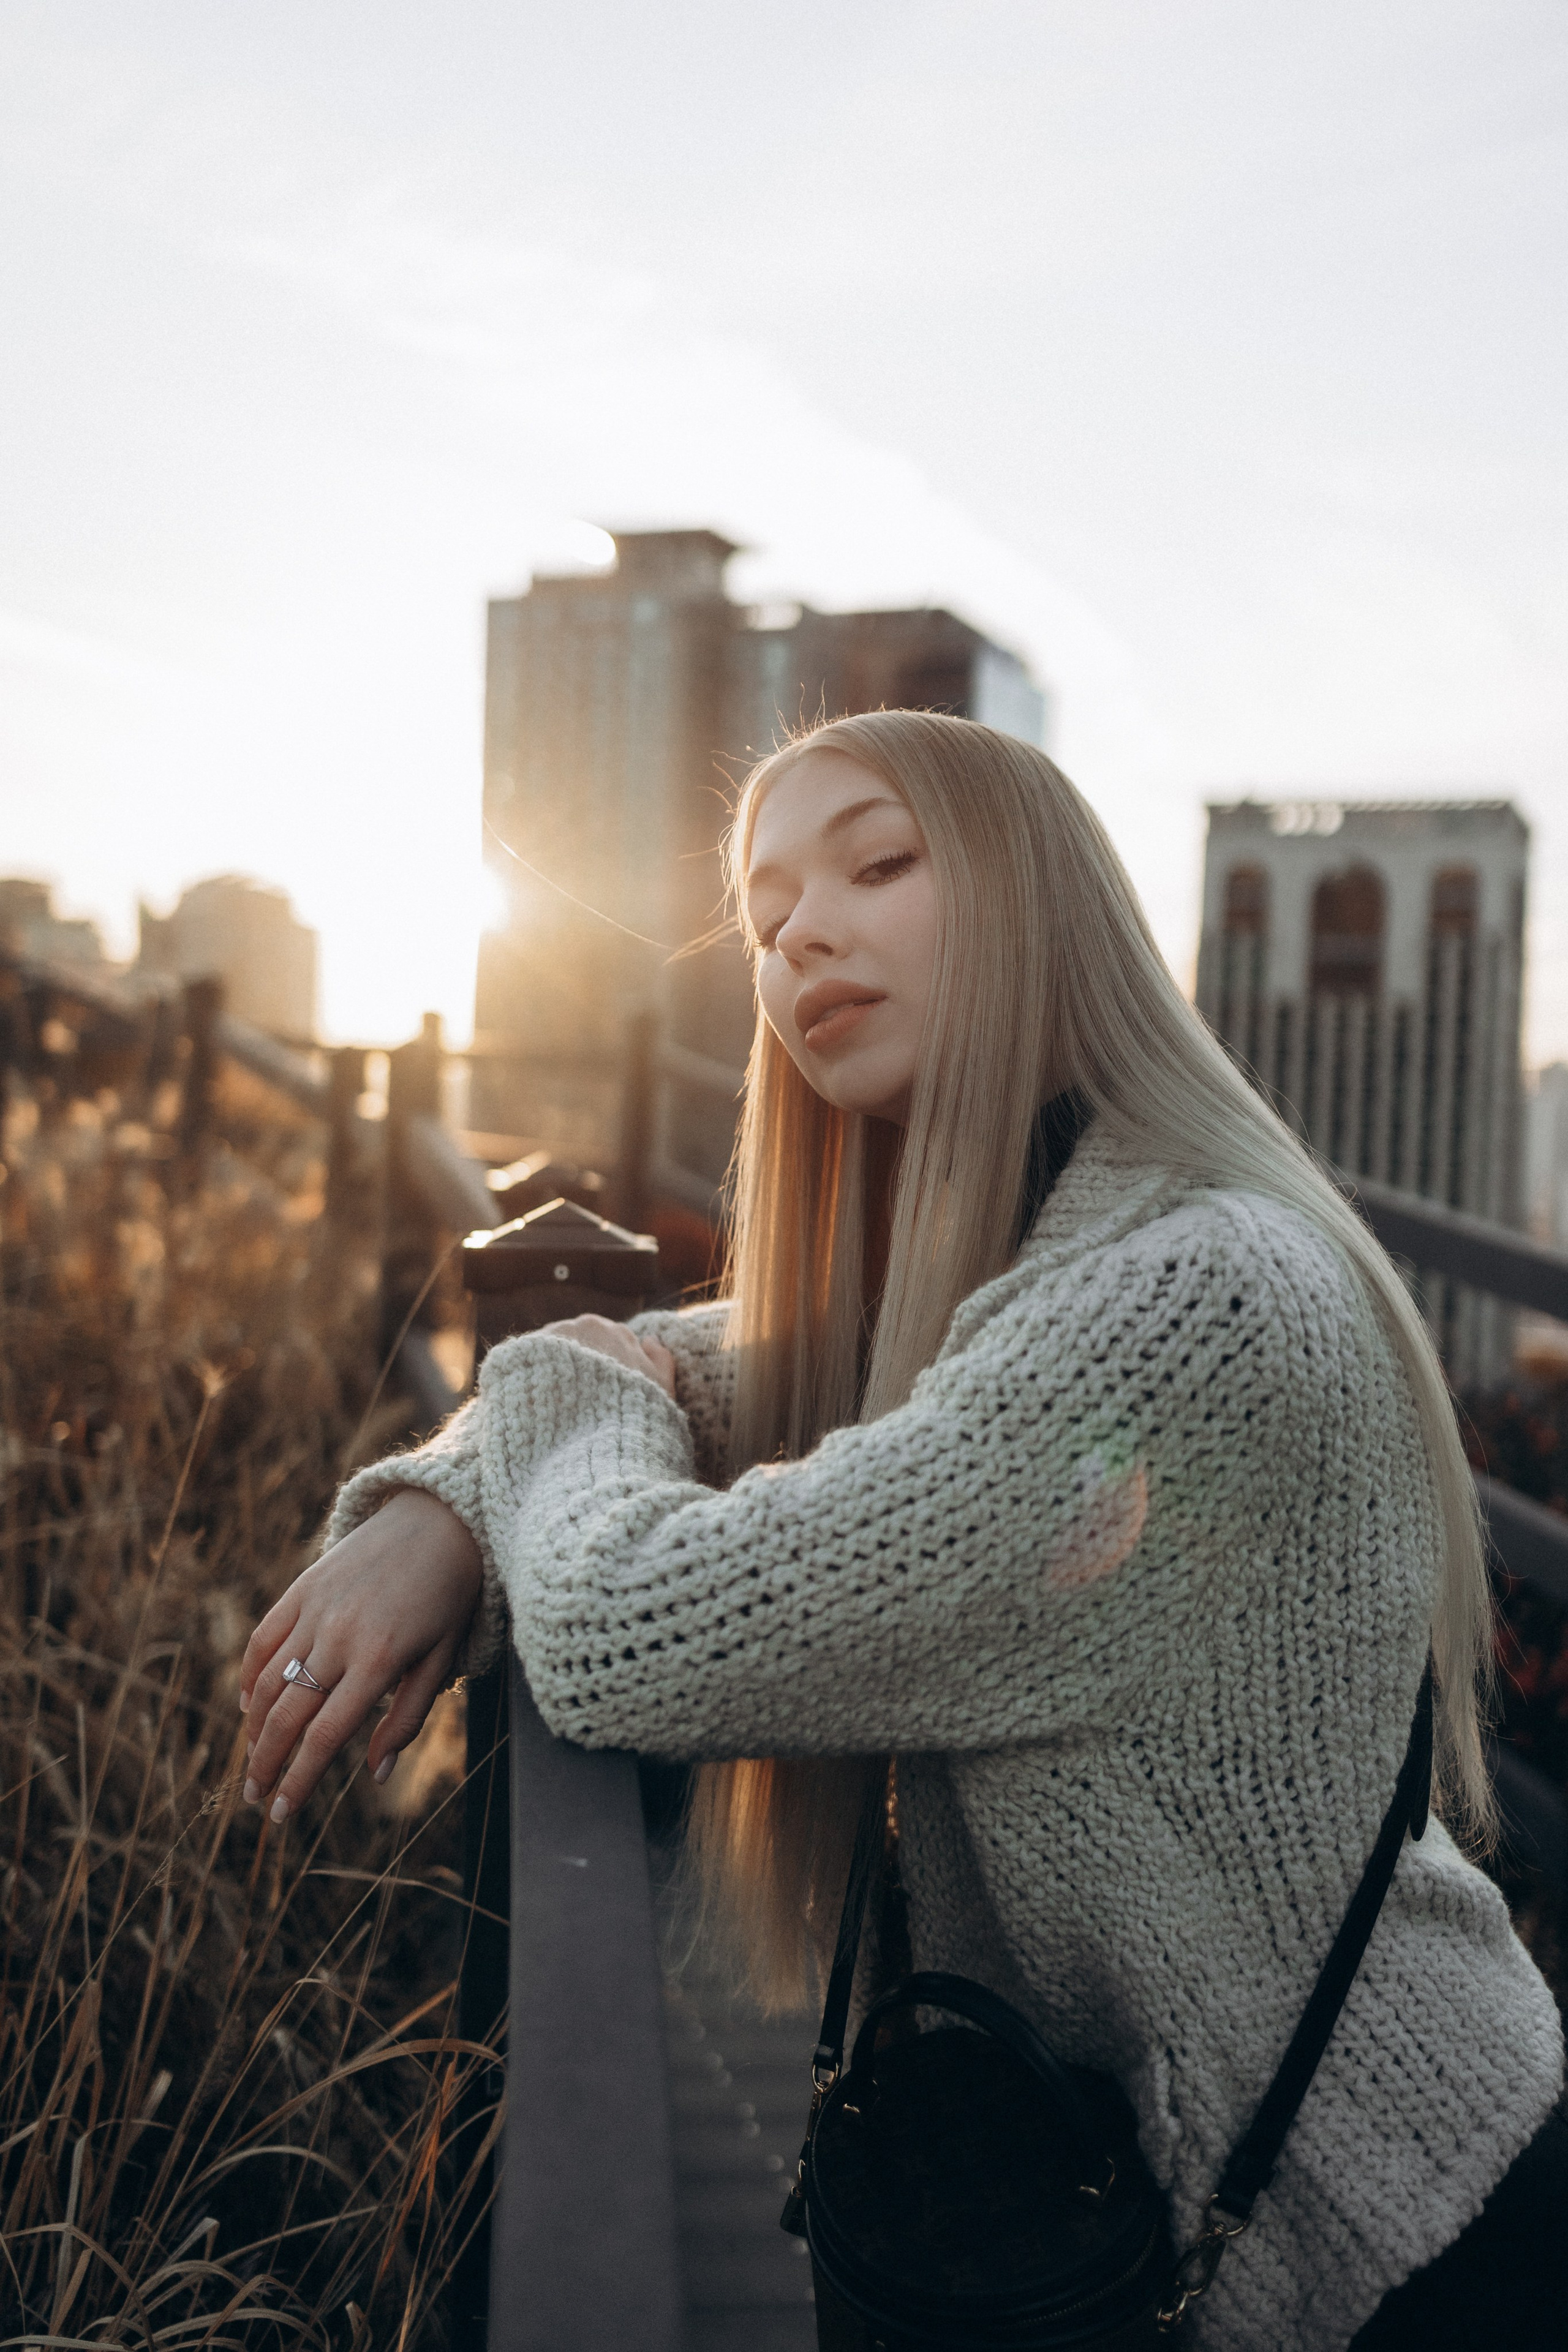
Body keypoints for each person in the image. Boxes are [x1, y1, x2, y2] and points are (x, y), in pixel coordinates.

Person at [240, 712, 1564, 2349]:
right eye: (766, 911)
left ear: (1041, 903)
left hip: (1396, 2243)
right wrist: (443, 1504)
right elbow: (706, 1365)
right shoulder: (1039, 1252)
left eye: (875, 864)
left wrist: (548, 1412)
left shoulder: (1197, 1296)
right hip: (1117, 2197)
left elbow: (622, 1631)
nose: (800, 934)